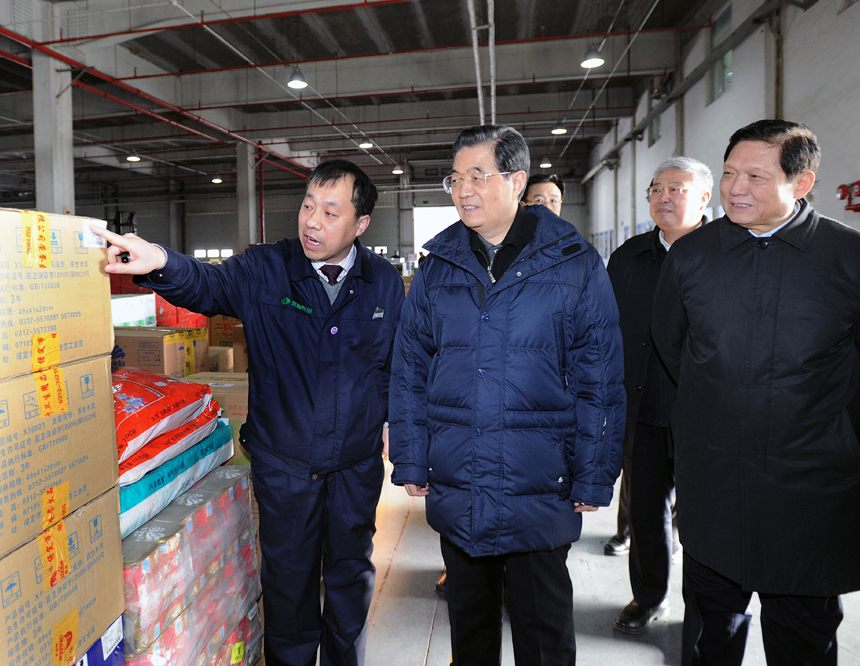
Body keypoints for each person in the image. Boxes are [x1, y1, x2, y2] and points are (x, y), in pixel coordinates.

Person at [92, 160, 405, 666]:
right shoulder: (267, 269)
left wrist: (393, 427)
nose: (312, 221)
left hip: (355, 464)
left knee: (350, 576)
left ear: (360, 224)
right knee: (288, 583)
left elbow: (394, 365)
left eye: (330, 211)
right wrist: (159, 262)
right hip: (285, 465)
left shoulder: (382, 283)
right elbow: (208, 286)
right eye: (308, 206)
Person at [388, 124, 625, 665]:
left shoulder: (574, 264)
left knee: (543, 635)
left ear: (517, 181)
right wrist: (411, 458)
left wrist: (595, 471)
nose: (462, 189)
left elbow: (602, 381)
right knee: (470, 633)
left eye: (479, 175)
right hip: (461, 481)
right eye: (455, 177)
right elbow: (409, 371)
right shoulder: (437, 267)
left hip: (539, 485)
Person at [652, 119, 860, 665]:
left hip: (808, 495)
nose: (735, 188)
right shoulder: (692, 257)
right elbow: (675, 349)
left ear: (803, 182)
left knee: (803, 639)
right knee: (710, 636)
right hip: (714, 486)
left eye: (755, 176)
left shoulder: (847, 258)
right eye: (728, 173)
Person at [607, 157, 712, 634]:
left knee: (705, 520)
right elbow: (605, 335)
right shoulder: (628, 257)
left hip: (705, 418)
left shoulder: (725, 253)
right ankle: (649, 596)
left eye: (677, 189)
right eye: (656, 189)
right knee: (645, 514)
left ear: (705, 198)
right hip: (642, 409)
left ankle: (707, 608)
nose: (663, 197)